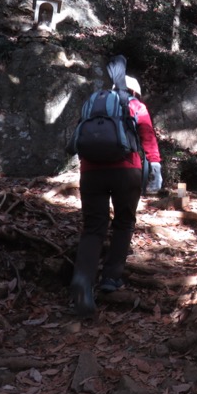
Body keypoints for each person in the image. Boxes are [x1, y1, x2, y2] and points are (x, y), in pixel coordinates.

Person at [70, 62, 162, 318]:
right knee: (123, 222)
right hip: (126, 170)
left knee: (93, 227)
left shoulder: (92, 103)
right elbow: (147, 137)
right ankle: (111, 278)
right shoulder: (135, 106)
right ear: (135, 91)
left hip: (90, 172)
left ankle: (82, 281)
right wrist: (155, 167)